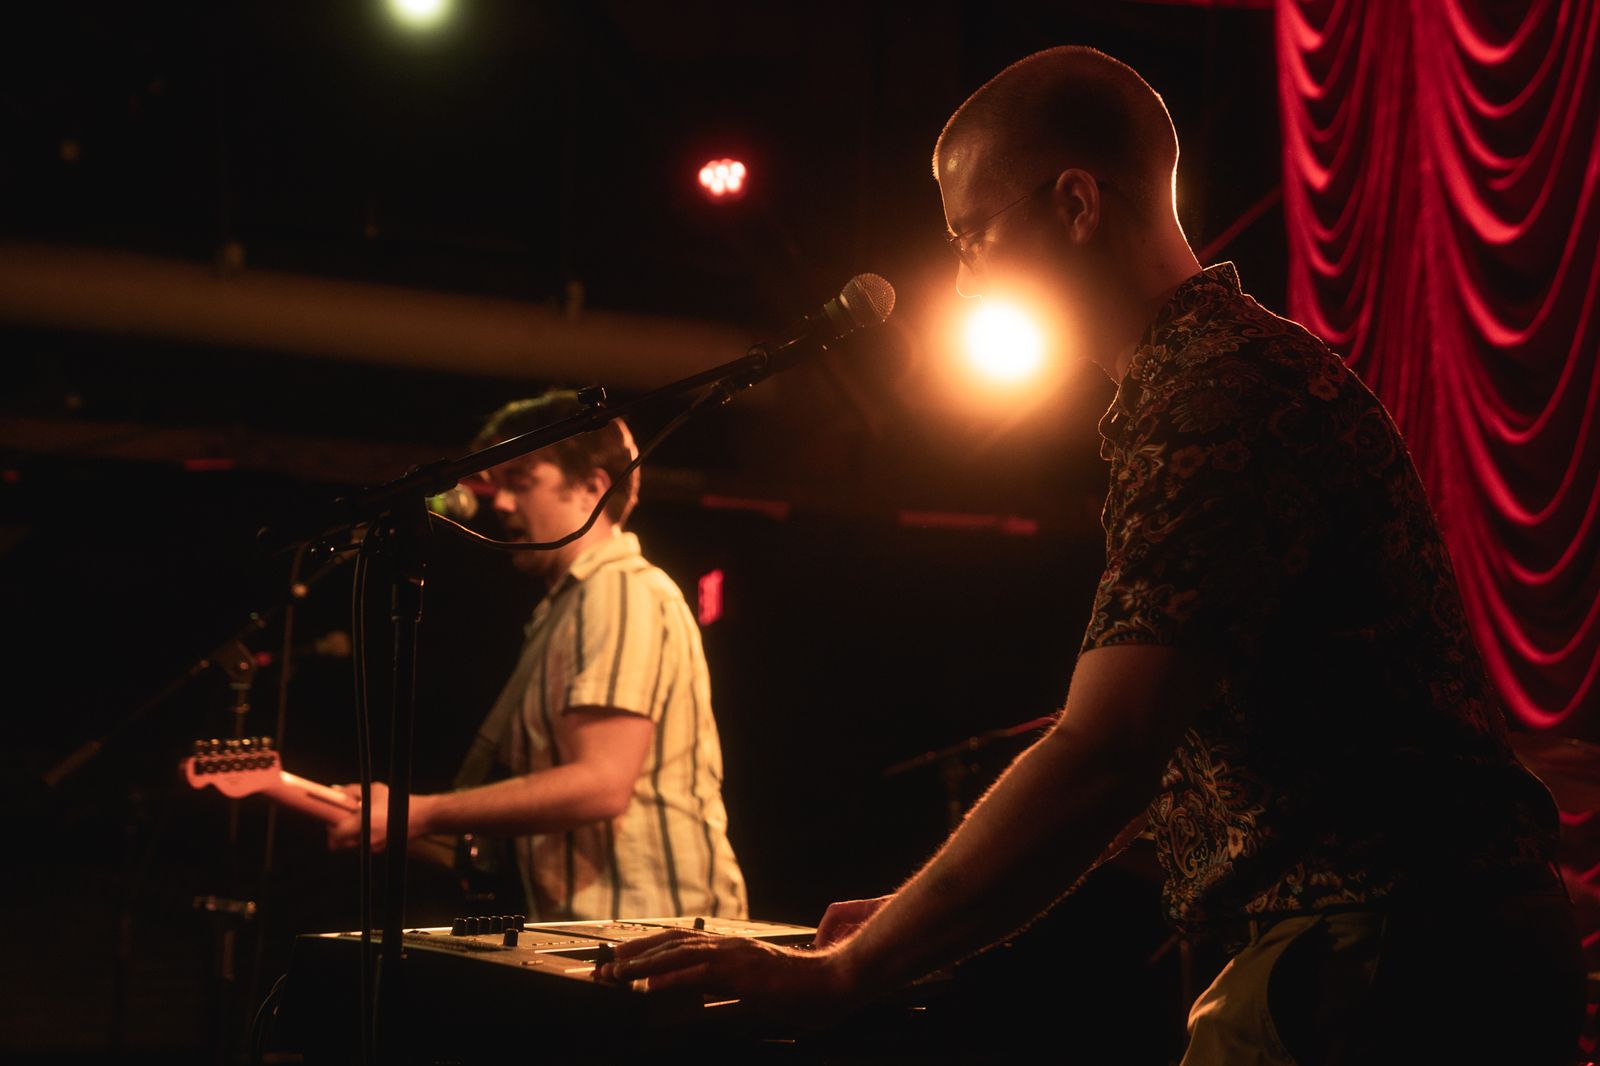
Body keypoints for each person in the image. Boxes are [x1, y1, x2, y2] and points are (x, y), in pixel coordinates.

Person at [597, 46, 1584, 1062]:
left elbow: (1107, 748)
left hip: (1383, 961)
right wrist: (917, 916)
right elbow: (1170, 753)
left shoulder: (1214, 397)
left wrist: (848, 974)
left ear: (1075, 203)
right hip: (1424, 947)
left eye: (974, 237)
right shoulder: (1221, 373)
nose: (965, 278)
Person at [330, 389, 748, 923]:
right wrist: (404, 818)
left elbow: (600, 784)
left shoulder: (618, 589)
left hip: (656, 932)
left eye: (520, 483)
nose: (501, 503)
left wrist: (423, 812)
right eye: (499, 485)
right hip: (611, 930)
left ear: (592, 488)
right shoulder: (563, 610)